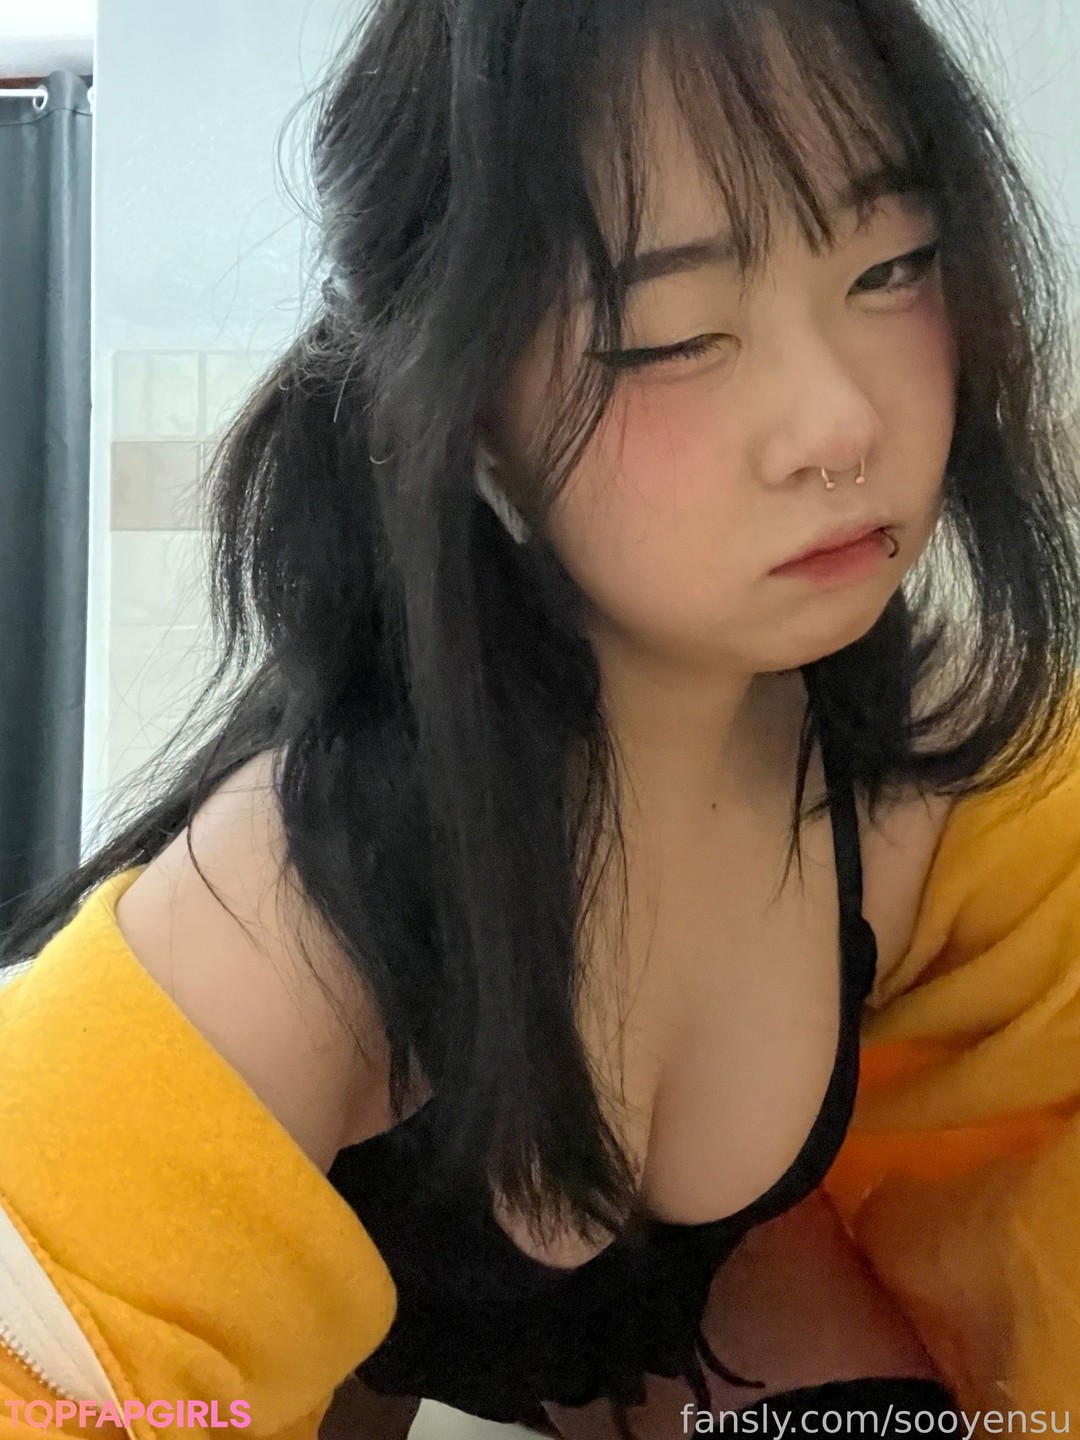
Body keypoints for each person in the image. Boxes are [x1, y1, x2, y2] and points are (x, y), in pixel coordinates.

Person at [2, 0, 1080, 1437]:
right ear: (468, 407)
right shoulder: (299, 910)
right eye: (676, 335)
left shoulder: (938, 774)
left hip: (720, 1309)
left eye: (891, 268)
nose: (839, 422)